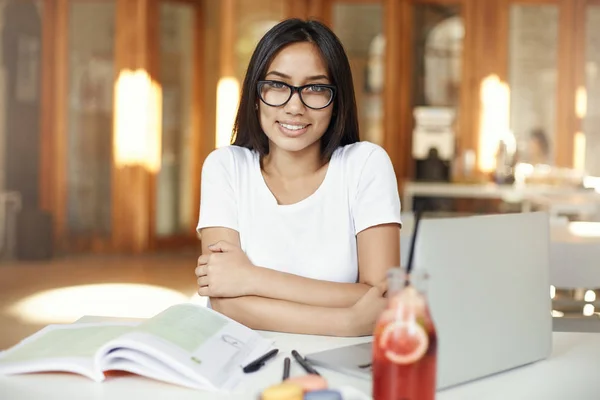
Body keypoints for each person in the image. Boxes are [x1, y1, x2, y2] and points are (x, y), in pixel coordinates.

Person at [195, 18, 402, 337]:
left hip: (339, 361)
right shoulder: (225, 167)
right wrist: (346, 322)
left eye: (316, 88)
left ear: (337, 100)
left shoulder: (365, 165)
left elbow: (385, 297)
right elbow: (225, 301)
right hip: (239, 355)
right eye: (277, 85)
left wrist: (252, 279)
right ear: (254, 94)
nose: (294, 106)